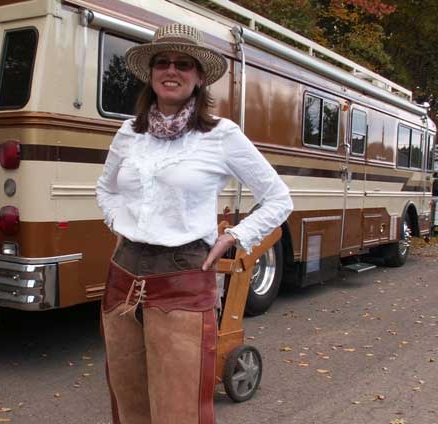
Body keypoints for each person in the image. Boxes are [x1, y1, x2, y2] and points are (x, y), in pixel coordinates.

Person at [96, 23, 293, 424]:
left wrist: (235, 237)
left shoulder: (221, 136)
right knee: (128, 396)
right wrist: (118, 222)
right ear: (151, 74)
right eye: (163, 62)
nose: (172, 70)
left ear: (199, 76)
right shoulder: (128, 134)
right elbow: (106, 189)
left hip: (184, 274)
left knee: (179, 408)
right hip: (124, 273)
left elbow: (279, 199)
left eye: (183, 64)